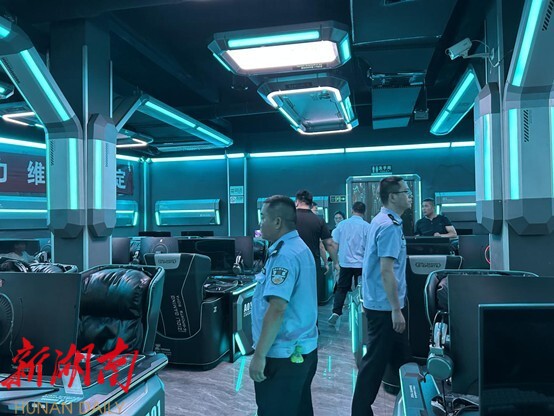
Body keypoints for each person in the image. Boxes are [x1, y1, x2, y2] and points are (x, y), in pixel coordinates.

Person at [249, 195, 318, 416]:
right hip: (302, 350)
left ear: (277, 222)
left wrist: (259, 355)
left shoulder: (284, 256)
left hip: (283, 355)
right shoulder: (299, 248)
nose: (260, 223)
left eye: (263, 218)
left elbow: (277, 308)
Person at [351, 176, 412, 416]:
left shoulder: (381, 220)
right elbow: (387, 271)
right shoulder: (389, 226)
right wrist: (396, 309)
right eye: (406, 192)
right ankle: (360, 411)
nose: (410, 196)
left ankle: (412, 403)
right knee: (374, 363)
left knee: (403, 359)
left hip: (383, 303)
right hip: (386, 307)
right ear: (393, 196)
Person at [328, 202, 371, 326]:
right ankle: (362, 311)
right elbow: (370, 247)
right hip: (361, 264)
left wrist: (335, 261)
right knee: (361, 288)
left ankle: (336, 311)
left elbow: (334, 245)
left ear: (352, 210)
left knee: (341, 288)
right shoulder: (367, 226)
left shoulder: (342, 225)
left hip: (345, 263)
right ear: (364, 212)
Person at [295, 189, 339, 277]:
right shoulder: (319, 220)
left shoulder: (289, 219)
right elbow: (328, 244)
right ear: (311, 204)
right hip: (312, 264)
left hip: (292, 263)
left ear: (296, 202)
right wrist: (335, 263)